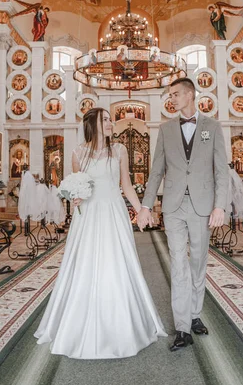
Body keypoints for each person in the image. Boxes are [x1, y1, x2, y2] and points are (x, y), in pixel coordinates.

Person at [35, 108, 166, 358]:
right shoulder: (77, 153)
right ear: (92, 124)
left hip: (114, 212)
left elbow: (126, 185)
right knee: (86, 264)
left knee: (116, 263)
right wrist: (75, 197)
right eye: (104, 120)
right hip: (89, 216)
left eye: (109, 119)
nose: (110, 123)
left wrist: (141, 211)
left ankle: (122, 323)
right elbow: (78, 185)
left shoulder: (119, 150)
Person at [139, 78, 228, 351]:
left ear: (190, 95)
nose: (172, 99)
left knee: (198, 262)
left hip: (203, 206)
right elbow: (156, 171)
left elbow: (221, 170)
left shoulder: (212, 127)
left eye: (176, 94)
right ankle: (182, 328)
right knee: (178, 263)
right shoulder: (165, 129)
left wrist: (220, 206)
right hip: (174, 206)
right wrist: (145, 205)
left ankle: (195, 314)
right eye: (170, 95)